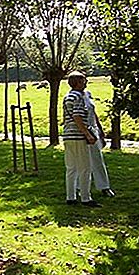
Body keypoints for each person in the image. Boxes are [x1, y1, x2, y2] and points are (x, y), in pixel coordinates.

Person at [62, 71, 101, 207]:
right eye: (84, 80)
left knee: (71, 167)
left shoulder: (68, 96)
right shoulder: (78, 97)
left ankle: (70, 196)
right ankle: (85, 198)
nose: (86, 83)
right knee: (85, 167)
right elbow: (77, 117)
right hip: (78, 136)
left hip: (68, 135)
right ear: (78, 82)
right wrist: (87, 134)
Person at [84, 89, 116, 197]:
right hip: (81, 131)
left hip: (93, 130)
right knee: (81, 162)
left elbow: (93, 113)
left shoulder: (88, 94)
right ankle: (79, 188)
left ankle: (104, 186)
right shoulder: (72, 96)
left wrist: (100, 129)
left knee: (97, 159)